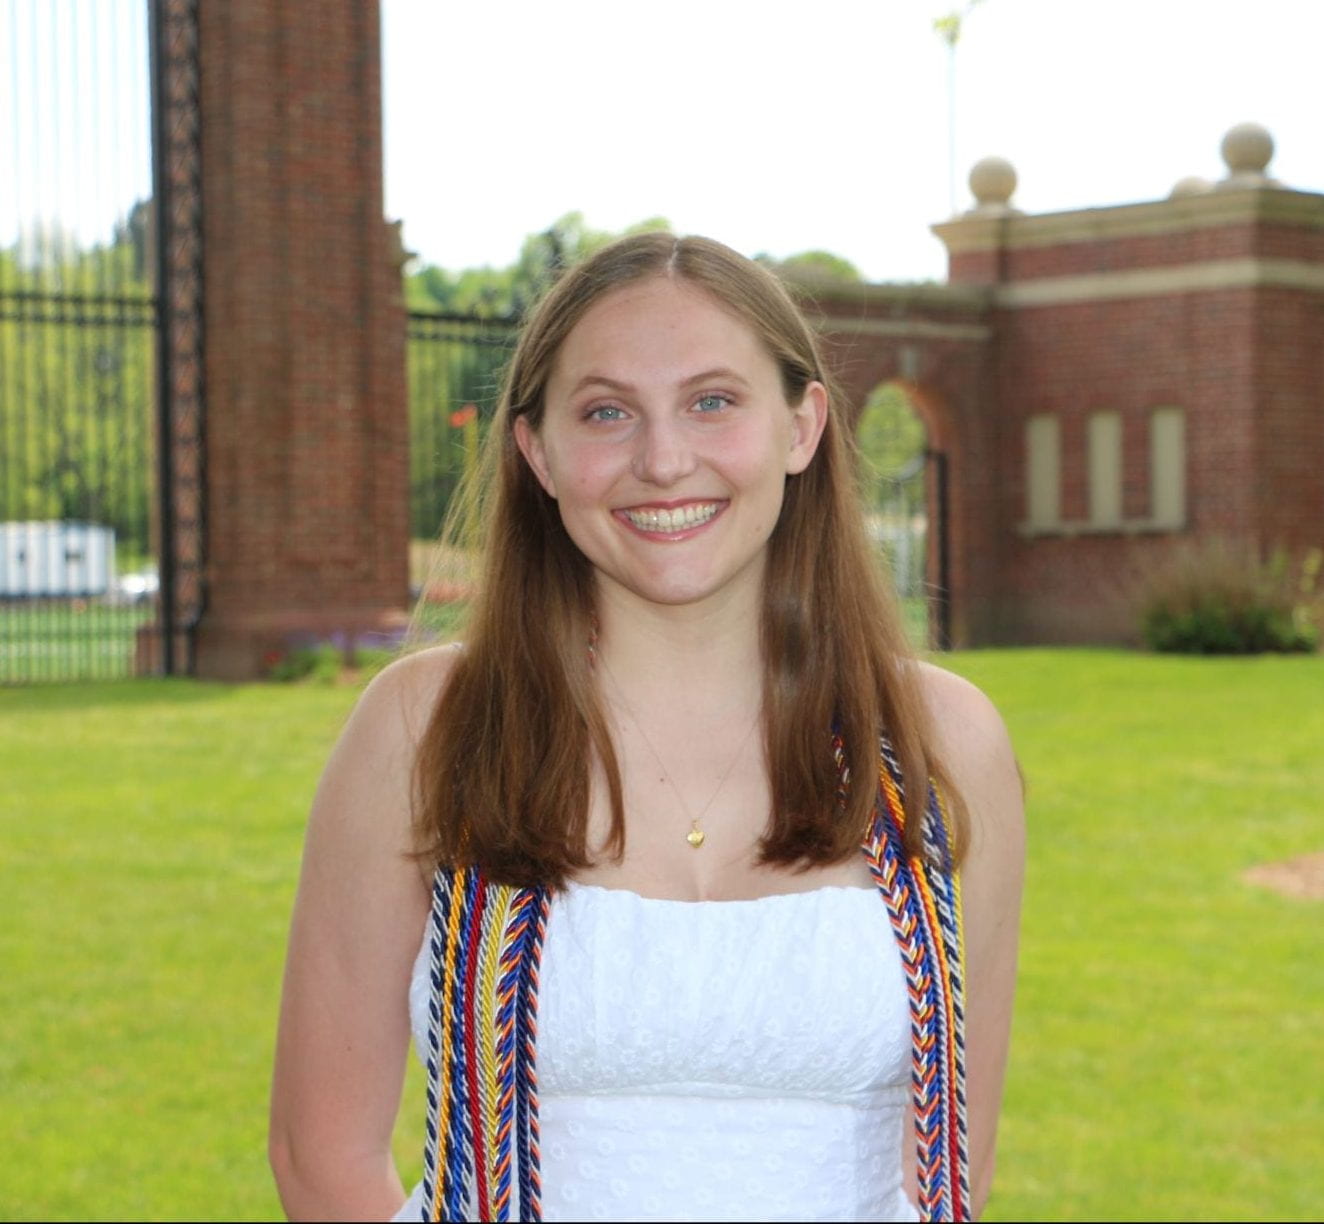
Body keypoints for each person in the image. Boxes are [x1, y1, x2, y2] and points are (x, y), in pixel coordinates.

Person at [268, 232, 1024, 1223]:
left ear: (801, 427)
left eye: (713, 401)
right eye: (606, 412)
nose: (664, 460)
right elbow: (320, 1161)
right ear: (537, 452)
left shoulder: (937, 742)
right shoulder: (428, 729)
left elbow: (950, 1172)